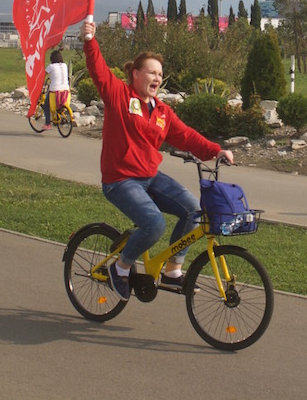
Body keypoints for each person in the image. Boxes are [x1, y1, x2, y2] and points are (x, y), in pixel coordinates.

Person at [81, 20, 234, 300]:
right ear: (135, 74)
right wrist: (90, 41)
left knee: (193, 210)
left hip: (149, 178)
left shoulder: (161, 111)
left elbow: (186, 136)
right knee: (154, 223)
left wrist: (216, 150)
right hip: (121, 180)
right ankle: (121, 266)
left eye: (160, 74)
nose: (157, 78)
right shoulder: (119, 96)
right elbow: (99, 72)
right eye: (151, 72)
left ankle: (173, 271)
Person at [42, 50, 70, 131]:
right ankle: (59, 113)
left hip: (55, 90)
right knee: (60, 105)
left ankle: (47, 124)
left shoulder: (51, 66)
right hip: (65, 90)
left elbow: (43, 75)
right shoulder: (65, 65)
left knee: (46, 106)